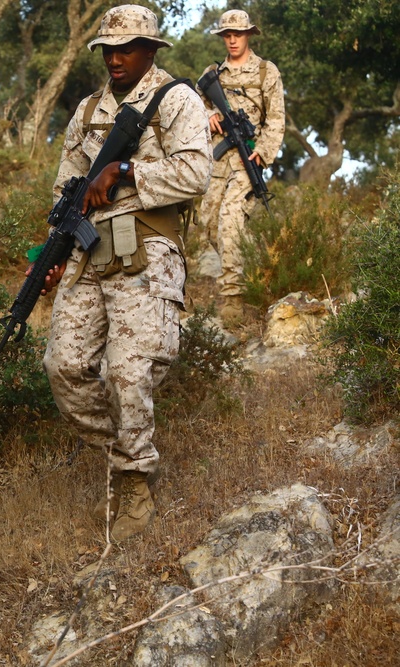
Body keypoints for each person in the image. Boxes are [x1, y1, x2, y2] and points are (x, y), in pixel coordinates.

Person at [39, 5, 211, 541]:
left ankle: (134, 478)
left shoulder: (176, 99)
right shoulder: (89, 109)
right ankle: (122, 449)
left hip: (147, 247)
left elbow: (196, 172)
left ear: (152, 50)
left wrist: (128, 170)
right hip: (89, 251)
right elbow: (66, 185)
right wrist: (54, 251)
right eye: (108, 50)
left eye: (128, 48)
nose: (116, 58)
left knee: (128, 372)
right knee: (63, 366)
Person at [197, 9, 285, 325]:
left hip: (249, 159)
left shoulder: (266, 72)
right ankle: (249, 268)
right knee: (208, 222)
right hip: (218, 160)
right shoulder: (212, 75)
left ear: (248, 34)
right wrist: (207, 116)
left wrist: (263, 150)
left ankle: (233, 302)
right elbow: (195, 108)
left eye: (238, 34)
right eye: (227, 35)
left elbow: (276, 118)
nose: (232, 40)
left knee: (230, 220)